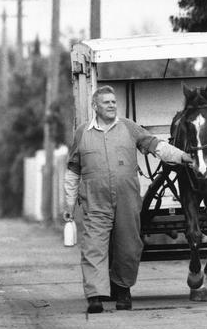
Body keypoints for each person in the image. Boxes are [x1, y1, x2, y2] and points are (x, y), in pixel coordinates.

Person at [63, 85, 193, 313]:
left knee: (129, 246)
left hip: (127, 200)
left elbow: (157, 147)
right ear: (95, 106)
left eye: (114, 102)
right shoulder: (83, 133)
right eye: (106, 102)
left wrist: (182, 156)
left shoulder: (129, 128)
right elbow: (73, 170)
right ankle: (95, 296)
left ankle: (123, 290)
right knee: (93, 246)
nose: (112, 105)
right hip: (95, 201)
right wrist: (68, 203)